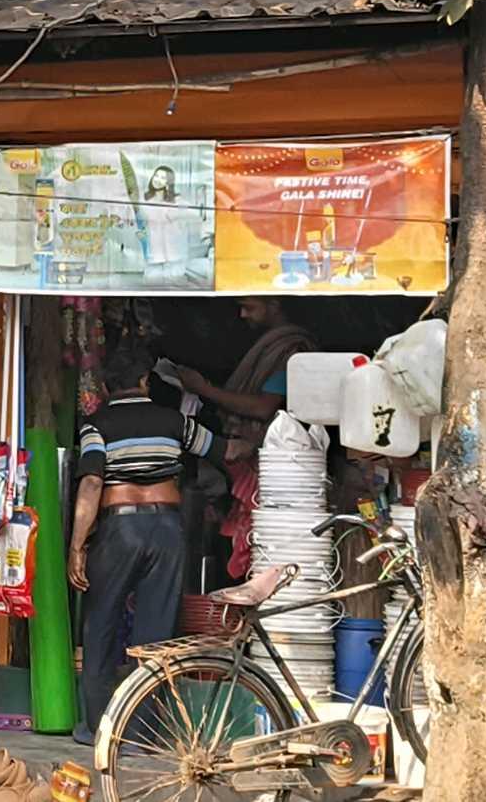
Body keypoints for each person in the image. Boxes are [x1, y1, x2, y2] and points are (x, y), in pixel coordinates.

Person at [68, 344, 251, 744]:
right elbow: (226, 451)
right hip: (167, 529)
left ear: (105, 387)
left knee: (101, 624)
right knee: (155, 634)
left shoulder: (96, 426)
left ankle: (98, 728)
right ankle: (141, 731)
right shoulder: (175, 421)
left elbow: (92, 483)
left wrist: (77, 545)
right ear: (145, 381)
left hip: (119, 530)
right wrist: (264, 439)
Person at [173, 296, 317, 578]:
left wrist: (205, 389)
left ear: (274, 305)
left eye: (249, 307)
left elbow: (263, 408)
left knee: (261, 536)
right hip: (253, 460)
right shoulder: (271, 348)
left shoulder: (290, 351)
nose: (242, 315)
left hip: (277, 461)